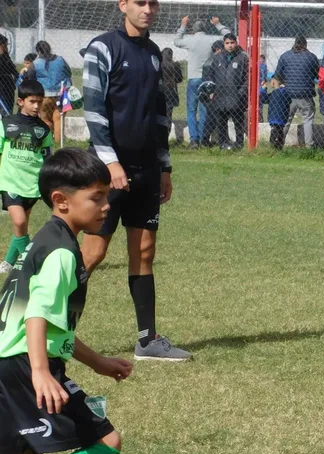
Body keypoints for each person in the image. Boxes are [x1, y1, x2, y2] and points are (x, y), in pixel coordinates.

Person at [0, 148, 132, 454]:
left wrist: (98, 363)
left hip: (9, 361)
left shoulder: (39, 242)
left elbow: (55, 327)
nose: (106, 205)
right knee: (105, 442)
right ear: (61, 201)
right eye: (96, 197)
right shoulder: (60, 253)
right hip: (24, 366)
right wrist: (41, 372)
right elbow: (37, 316)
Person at [82, 0, 191, 362]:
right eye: (140, 2)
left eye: (153, 3)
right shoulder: (103, 48)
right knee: (93, 253)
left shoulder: (155, 53)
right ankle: (53, 331)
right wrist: (110, 163)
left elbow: (161, 112)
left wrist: (164, 166)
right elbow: (94, 110)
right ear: (122, 5)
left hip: (146, 168)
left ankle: (147, 341)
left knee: (144, 252)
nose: (149, 9)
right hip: (107, 169)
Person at [0, 81, 53, 275]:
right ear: (21, 101)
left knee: (21, 226)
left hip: (32, 184)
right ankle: (31, 265)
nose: (37, 106)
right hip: (10, 181)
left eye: (39, 102)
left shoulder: (44, 130)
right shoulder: (6, 123)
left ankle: (8, 263)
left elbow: (47, 157)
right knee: (20, 222)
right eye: (32, 101)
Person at [174, 15, 230, 148]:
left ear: (193, 30)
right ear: (205, 29)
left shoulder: (190, 40)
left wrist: (182, 25)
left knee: (192, 110)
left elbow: (176, 41)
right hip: (207, 78)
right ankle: (203, 138)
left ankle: (194, 139)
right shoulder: (211, 39)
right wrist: (218, 24)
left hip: (193, 78)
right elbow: (228, 35)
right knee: (205, 109)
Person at [203, 33, 249, 150]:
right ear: (224, 44)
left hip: (235, 97)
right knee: (221, 122)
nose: (230, 46)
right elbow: (210, 75)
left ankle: (239, 144)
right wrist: (212, 90)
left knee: (238, 122)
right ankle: (222, 143)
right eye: (227, 43)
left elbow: (247, 78)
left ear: (236, 43)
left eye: (232, 43)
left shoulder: (242, 58)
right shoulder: (217, 58)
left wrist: (240, 92)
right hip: (220, 96)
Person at [274, 36, 319, 149]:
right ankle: (309, 146)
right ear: (305, 45)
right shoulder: (311, 57)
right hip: (305, 94)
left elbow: (277, 77)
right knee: (308, 120)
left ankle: (279, 144)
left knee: (285, 120)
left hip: (288, 94)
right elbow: (317, 75)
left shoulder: (285, 56)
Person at [31, 42, 71, 145]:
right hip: (61, 94)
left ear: (38, 51)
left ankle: (48, 142)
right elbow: (69, 72)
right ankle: (59, 143)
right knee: (59, 120)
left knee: (45, 119)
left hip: (45, 95)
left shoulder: (36, 63)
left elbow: (29, 77)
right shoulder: (60, 59)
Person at [160, 48, 185, 144]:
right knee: (168, 116)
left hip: (160, 91)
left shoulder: (159, 64)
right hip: (171, 91)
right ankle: (165, 137)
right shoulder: (175, 65)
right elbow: (179, 79)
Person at [267, 74, 292, 150]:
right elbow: (289, 100)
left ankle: (273, 148)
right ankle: (278, 148)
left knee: (274, 135)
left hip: (274, 118)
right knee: (280, 133)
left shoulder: (276, 93)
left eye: (271, 81)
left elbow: (263, 98)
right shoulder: (285, 92)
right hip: (282, 118)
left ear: (275, 82)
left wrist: (262, 89)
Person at [0, 36, 19, 115]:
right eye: (5, 45)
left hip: (7, 87)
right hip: (3, 87)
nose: (6, 48)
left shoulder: (5, 56)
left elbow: (14, 71)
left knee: (7, 110)